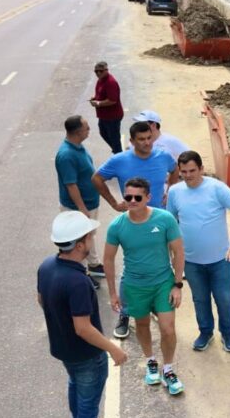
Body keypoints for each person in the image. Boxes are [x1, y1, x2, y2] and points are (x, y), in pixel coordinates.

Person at [37, 211, 128, 418]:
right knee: (89, 403)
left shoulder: (46, 266)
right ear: (79, 245)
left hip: (64, 349)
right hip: (86, 353)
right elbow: (83, 328)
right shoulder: (76, 281)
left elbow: (42, 299)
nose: (92, 238)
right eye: (89, 236)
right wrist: (113, 348)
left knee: (76, 388)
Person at [93, 122, 178, 338]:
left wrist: (170, 190)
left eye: (149, 138)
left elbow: (174, 170)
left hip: (160, 222)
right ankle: (125, 313)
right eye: (141, 139)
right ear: (131, 141)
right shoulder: (120, 160)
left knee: (162, 264)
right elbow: (97, 178)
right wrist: (114, 203)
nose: (147, 143)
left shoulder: (163, 157)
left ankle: (158, 306)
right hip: (133, 222)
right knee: (131, 267)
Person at [103, 177, 186, 396]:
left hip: (163, 283)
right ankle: (151, 361)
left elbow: (179, 251)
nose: (131, 201)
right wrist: (113, 293)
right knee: (141, 325)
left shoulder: (165, 219)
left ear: (148, 197)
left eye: (137, 197)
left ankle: (168, 369)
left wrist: (177, 285)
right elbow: (109, 260)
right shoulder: (117, 226)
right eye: (128, 196)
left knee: (168, 329)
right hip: (134, 286)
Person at [166, 151, 230, 353]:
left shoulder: (216, 188)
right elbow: (170, 221)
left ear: (202, 169)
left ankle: (228, 333)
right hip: (191, 261)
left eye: (192, 170)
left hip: (221, 260)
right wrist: (172, 251)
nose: (188, 175)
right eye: (183, 171)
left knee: (223, 298)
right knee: (200, 299)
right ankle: (205, 332)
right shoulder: (175, 192)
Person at [55, 115, 104, 278]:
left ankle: (94, 264)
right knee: (78, 243)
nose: (89, 130)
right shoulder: (67, 155)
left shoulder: (78, 147)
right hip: (78, 207)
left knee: (88, 237)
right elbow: (71, 185)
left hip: (89, 203)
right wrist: (82, 209)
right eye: (87, 128)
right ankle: (82, 274)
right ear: (77, 132)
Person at [90, 61, 124, 154]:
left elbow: (112, 100)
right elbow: (101, 94)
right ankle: (117, 151)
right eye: (96, 71)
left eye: (100, 71)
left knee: (114, 138)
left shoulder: (111, 82)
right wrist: (95, 98)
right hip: (104, 116)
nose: (98, 73)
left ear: (106, 70)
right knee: (103, 133)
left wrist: (98, 103)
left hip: (112, 116)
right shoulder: (100, 80)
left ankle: (118, 154)